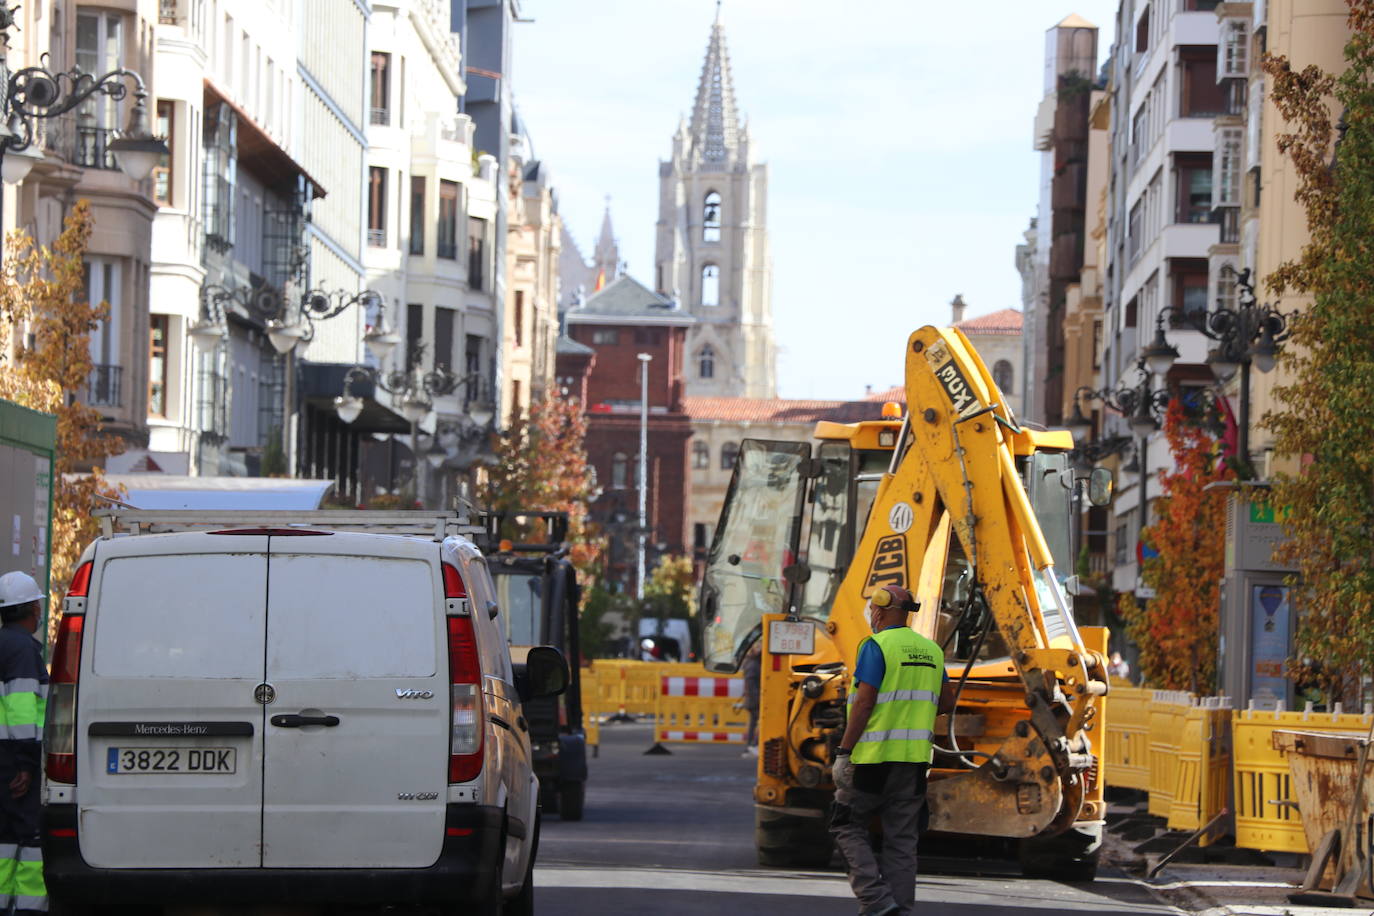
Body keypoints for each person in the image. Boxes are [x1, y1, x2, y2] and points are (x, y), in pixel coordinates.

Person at [830, 585, 953, 916]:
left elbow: (865, 702)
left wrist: (844, 752)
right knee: (902, 840)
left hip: (872, 761)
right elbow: (947, 702)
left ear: (881, 610)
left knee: (846, 825)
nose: (872, 613)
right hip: (913, 763)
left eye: (872, 608)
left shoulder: (876, 646)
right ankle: (899, 909)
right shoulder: (932, 651)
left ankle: (876, 900)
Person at [0, 571, 49, 916]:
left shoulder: (4, 644)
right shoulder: (22, 651)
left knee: (4, 840)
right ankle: (29, 908)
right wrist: (27, 765)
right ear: (33, 607)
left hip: (4, 758)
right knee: (31, 839)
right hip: (15, 760)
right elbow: (21, 711)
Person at [739, 640, 762, 758]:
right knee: (759, 723)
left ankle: (750, 746)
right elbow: (752, 684)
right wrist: (758, 699)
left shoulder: (751, 662)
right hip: (755, 699)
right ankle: (753, 745)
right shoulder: (754, 664)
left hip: (752, 698)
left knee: (754, 723)